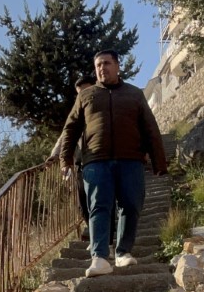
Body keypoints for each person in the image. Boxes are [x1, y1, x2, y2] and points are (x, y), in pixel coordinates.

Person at [59, 50, 169, 277]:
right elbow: (71, 128)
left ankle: (123, 252)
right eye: (98, 65)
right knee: (99, 206)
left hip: (131, 159)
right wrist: (66, 159)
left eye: (107, 63)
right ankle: (99, 257)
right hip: (95, 161)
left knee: (131, 205)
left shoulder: (134, 94)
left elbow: (150, 127)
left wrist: (159, 161)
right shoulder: (86, 96)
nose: (102, 68)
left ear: (117, 66)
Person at [47, 75, 96, 238]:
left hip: (104, 159)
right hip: (83, 162)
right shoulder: (78, 112)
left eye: (86, 91)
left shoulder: (105, 105)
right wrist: (55, 155)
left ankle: (103, 234)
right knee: (83, 201)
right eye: (79, 93)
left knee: (100, 199)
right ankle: (93, 231)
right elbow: (65, 135)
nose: (83, 96)